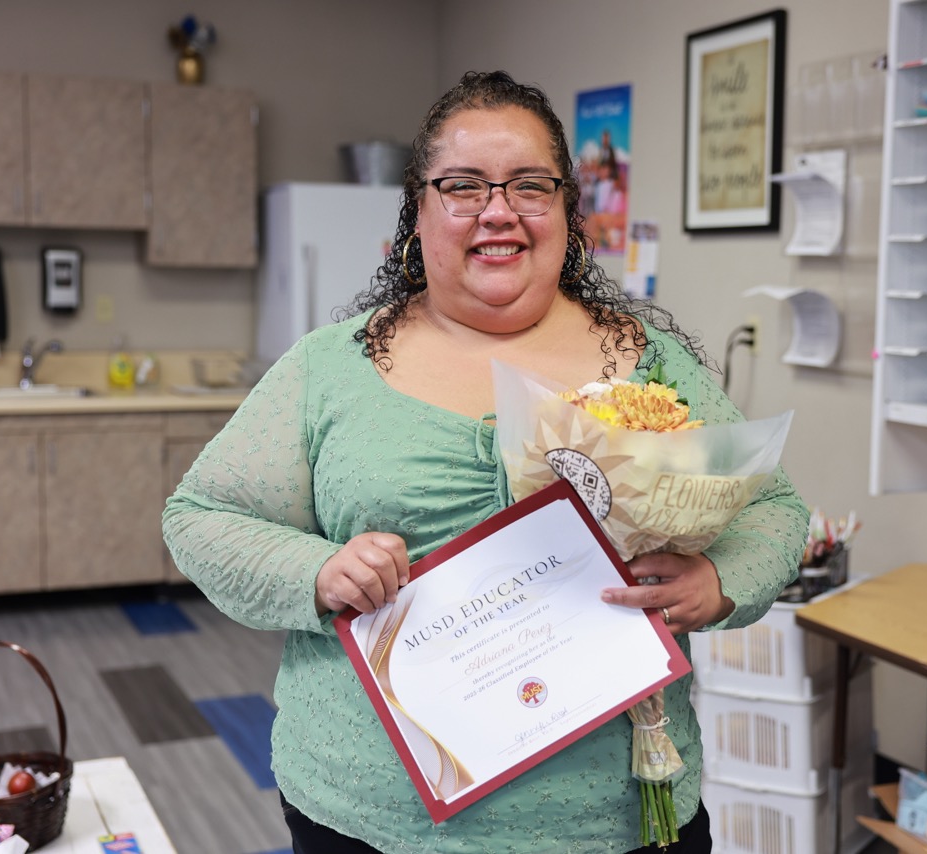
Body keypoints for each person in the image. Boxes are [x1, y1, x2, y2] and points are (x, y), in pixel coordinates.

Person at [163, 70, 807, 854]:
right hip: (371, 818)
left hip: (614, 821)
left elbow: (773, 509)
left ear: (567, 210)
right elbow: (201, 518)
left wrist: (718, 580)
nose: (498, 210)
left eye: (530, 186)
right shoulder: (329, 367)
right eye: (463, 186)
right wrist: (320, 572)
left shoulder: (648, 364)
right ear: (418, 211)